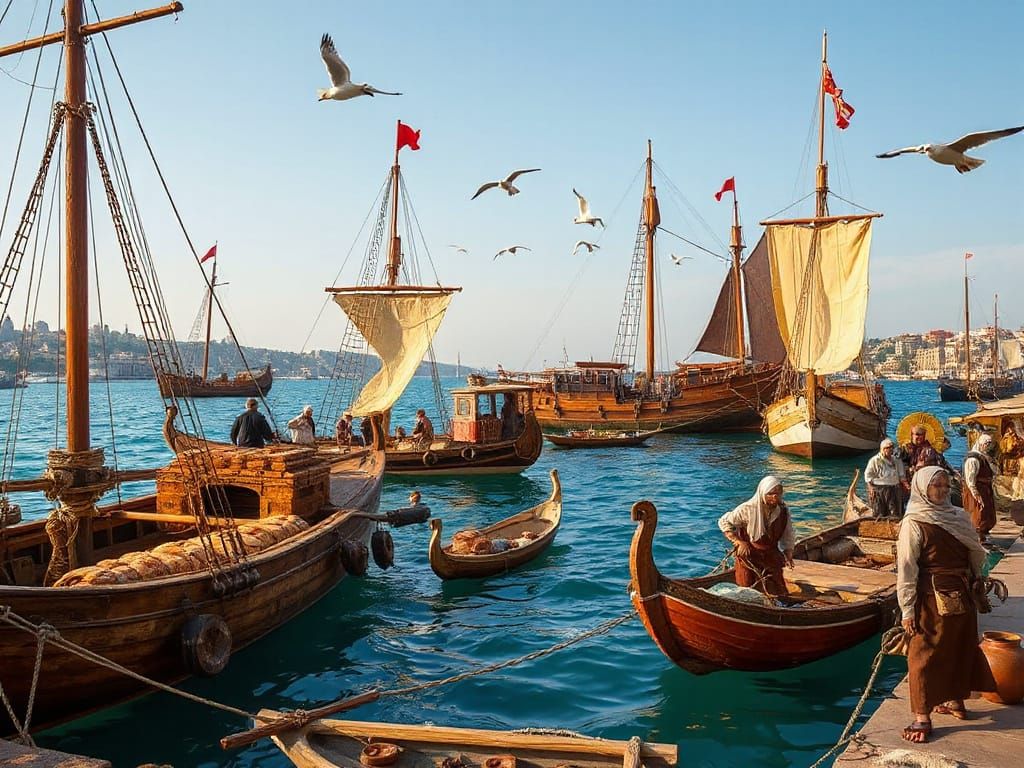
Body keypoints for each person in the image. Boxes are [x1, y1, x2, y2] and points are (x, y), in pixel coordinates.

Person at [896, 466, 995, 743]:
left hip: (937, 597)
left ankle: (922, 718)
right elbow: (976, 555)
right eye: (935, 486)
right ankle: (954, 701)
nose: (941, 491)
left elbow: (906, 570)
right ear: (922, 488)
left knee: (924, 654)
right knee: (954, 647)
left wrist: (906, 610)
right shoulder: (955, 517)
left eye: (943, 485)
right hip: (955, 595)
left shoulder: (918, 522)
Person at [717, 476, 795, 597]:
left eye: (778, 493)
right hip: (749, 556)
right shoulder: (747, 509)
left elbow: (788, 533)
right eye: (771, 494)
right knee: (747, 591)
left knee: (780, 593)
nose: (775, 497)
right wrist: (738, 542)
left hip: (771, 555)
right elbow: (724, 521)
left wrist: (788, 552)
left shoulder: (783, 510)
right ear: (762, 494)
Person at [962, 434, 997, 543]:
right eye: (986, 443)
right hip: (977, 488)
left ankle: (985, 534)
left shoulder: (984, 456)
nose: (988, 446)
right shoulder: (973, 459)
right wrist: (974, 492)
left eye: (989, 444)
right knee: (978, 512)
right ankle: (978, 537)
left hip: (985, 489)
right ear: (981, 444)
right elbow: (970, 478)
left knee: (987, 512)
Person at [864, 438, 907, 518]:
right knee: (879, 513)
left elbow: (901, 476)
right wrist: (870, 488)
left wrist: (905, 485)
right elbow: (868, 476)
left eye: (891, 447)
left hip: (894, 489)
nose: (890, 449)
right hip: (880, 489)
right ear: (882, 449)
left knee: (895, 513)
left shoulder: (897, 460)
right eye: (887, 448)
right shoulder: (874, 460)